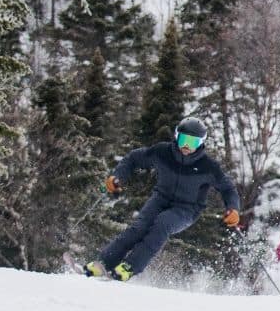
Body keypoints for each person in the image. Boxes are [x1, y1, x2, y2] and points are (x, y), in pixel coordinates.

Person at [87, 119, 241, 281]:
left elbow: (228, 189)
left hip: (187, 209)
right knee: (138, 228)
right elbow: (133, 159)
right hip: (160, 199)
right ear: (176, 137)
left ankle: (130, 267)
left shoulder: (208, 167)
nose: (187, 146)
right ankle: (103, 263)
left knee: (163, 224)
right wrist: (117, 176)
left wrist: (233, 209)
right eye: (183, 140)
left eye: (193, 142)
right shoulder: (163, 152)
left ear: (201, 143)